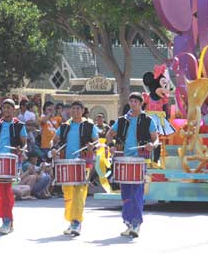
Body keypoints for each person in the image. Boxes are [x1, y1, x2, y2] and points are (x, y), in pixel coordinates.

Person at [106, 92, 158, 238]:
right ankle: (129, 223)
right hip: (122, 159)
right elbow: (109, 134)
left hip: (139, 160)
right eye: (131, 101)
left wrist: (151, 145)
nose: (133, 103)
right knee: (125, 194)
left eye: (135, 101)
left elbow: (156, 139)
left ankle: (136, 223)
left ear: (140, 103)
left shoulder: (148, 120)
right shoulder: (122, 120)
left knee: (137, 192)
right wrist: (110, 145)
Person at [51, 100, 98, 236]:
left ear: (82, 110)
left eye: (78, 109)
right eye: (73, 109)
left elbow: (97, 141)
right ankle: (71, 221)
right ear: (70, 111)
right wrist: (53, 149)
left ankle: (77, 222)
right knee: (68, 193)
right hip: (66, 162)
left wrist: (92, 146)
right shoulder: (65, 126)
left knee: (79, 192)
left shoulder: (89, 125)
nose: (75, 111)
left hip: (84, 162)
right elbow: (54, 140)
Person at [0, 98, 27, 235]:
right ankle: (6, 219)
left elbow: (24, 144)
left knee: (7, 191)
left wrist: (21, 149)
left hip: (11, 160)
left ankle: (7, 220)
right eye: (4, 108)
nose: (6, 110)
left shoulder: (19, 125)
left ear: (13, 109)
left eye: (9, 107)